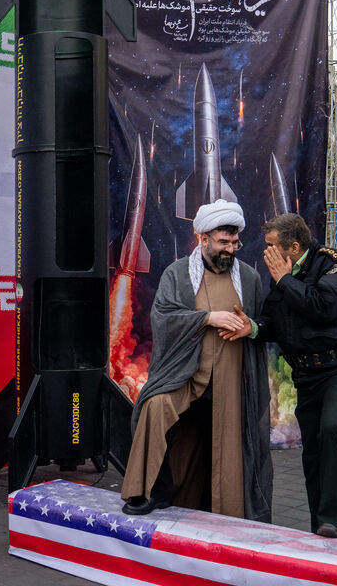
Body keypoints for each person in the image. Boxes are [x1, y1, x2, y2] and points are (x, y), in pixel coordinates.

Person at [119, 199, 272, 522]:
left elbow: (264, 325)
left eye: (234, 242)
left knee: (231, 439)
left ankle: (229, 512)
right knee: (155, 406)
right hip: (186, 371)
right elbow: (163, 318)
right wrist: (207, 318)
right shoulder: (178, 274)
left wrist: (250, 328)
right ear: (203, 239)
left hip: (232, 373)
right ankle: (144, 492)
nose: (230, 248)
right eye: (223, 242)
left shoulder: (249, 278)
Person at [252, 213, 337, 539]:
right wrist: (249, 328)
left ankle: (332, 517)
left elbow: (325, 307)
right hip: (308, 375)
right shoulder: (282, 279)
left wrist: (284, 280)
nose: (268, 254)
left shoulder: (334, 264)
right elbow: (272, 324)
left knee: (333, 427)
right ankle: (320, 527)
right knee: (314, 451)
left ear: (293, 247)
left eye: (273, 247)